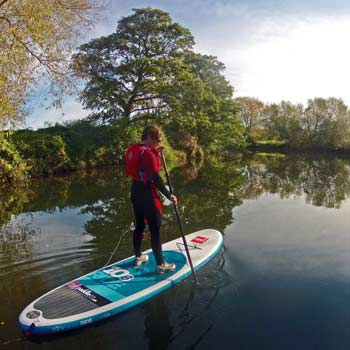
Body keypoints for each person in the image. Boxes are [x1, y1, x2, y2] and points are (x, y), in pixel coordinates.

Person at [125, 125, 177, 273]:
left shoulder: (134, 149)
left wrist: (156, 153)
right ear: (147, 137)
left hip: (135, 191)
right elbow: (155, 177)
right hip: (148, 195)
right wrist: (169, 195)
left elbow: (142, 167)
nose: (158, 144)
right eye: (155, 140)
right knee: (155, 230)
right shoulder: (148, 154)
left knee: (139, 226)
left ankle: (138, 256)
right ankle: (161, 265)